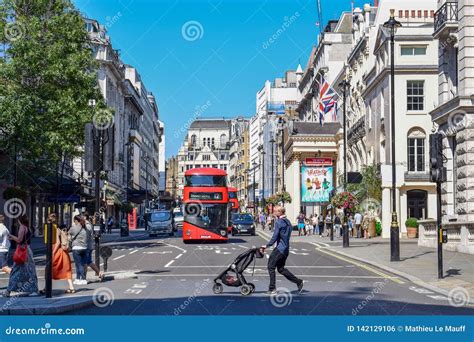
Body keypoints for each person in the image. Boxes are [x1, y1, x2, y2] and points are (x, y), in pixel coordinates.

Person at [262, 206, 303, 295]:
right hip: (286, 249)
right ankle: (298, 282)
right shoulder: (288, 221)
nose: (273, 212)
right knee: (280, 269)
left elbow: (275, 236)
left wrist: (267, 245)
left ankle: (272, 289)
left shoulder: (279, 222)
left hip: (280, 249)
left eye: (275, 211)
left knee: (271, 267)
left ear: (280, 212)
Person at [4, 215, 38, 297]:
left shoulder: (22, 227)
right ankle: (33, 290)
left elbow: (19, 240)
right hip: (27, 250)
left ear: (20, 221)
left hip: (22, 251)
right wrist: (13, 238)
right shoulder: (27, 227)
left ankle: (8, 291)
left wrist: (12, 236)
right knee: (30, 271)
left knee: (15, 271)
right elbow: (22, 239)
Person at [51, 224, 76, 294]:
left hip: (58, 253)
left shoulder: (57, 230)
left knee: (50, 270)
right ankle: (71, 287)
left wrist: (53, 252)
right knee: (67, 270)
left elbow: (58, 243)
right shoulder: (64, 231)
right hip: (65, 253)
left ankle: (46, 287)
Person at [83, 214, 103, 281]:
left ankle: (84, 278)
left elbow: (86, 237)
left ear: (85, 217)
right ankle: (99, 273)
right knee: (89, 262)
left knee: (85, 262)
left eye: (81, 217)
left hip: (87, 246)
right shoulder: (87, 225)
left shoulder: (87, 226)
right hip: (89, 246)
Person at [69, 215, 89, 285]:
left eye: (74, 221)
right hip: (84, 248)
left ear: (76, 221)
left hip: (76, 248)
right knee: (81, 264)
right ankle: (77, 278)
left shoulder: (74, 228)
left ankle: (83, 279)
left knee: (78, 264)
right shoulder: (85, 228)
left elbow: (68, 233)